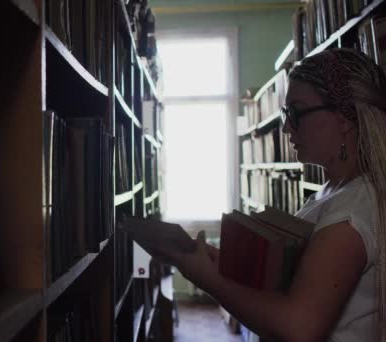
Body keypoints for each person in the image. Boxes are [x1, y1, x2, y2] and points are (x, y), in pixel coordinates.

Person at [121, 48, 386, 341]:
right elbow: (300, 283)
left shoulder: (351, 208)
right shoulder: (334, 192)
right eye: (286, 114)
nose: (286, 127)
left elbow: (297, 327)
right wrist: (217, 263)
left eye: (296, 112)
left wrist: (206, 277)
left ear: (344, 118)